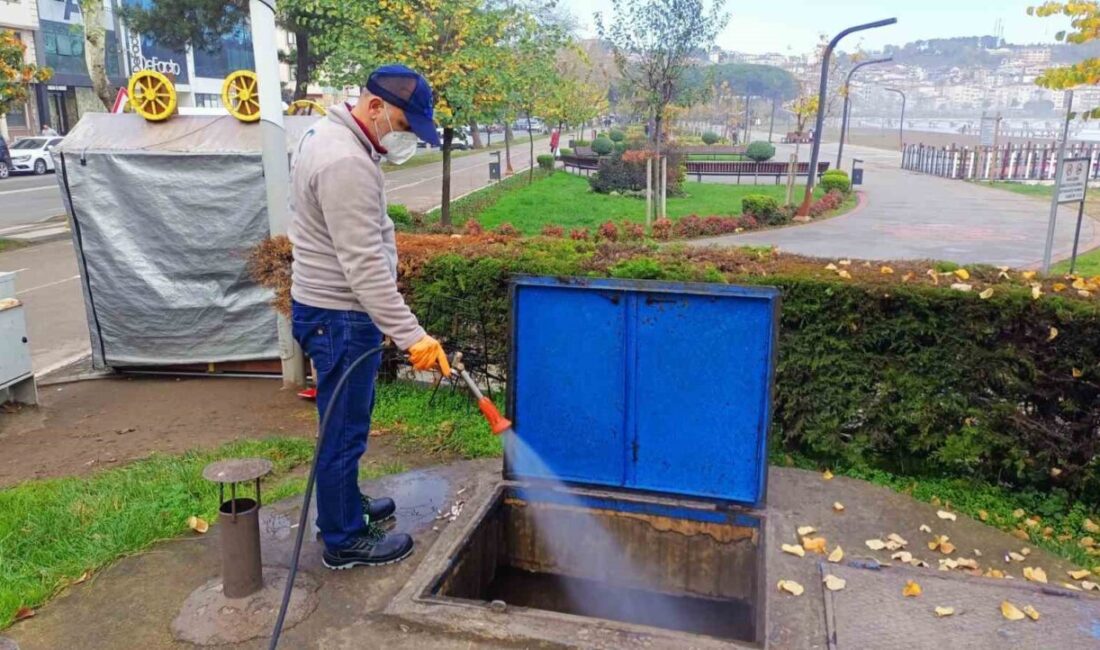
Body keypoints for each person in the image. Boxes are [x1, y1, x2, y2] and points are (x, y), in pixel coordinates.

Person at [288, 64, 451, 569]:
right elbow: (362, 267)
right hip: (339, 314)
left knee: (343, 423)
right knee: (344, 431)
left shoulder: (333, 137)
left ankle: (343, 506)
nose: (406, 139)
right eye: (403, 126)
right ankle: (343, 540)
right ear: (375, 106)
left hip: (328, 310)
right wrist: (412, 336)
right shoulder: (345, 161)